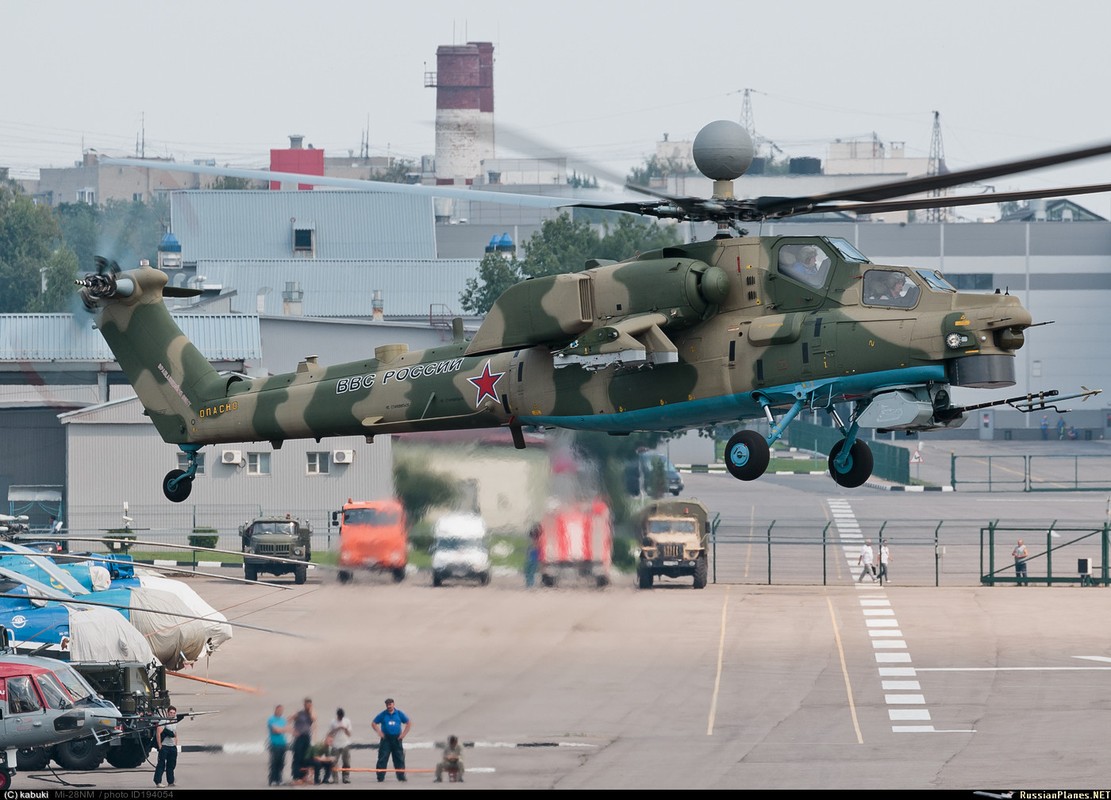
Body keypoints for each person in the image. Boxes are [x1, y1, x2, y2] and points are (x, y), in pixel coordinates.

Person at [372, 697, 411, 782]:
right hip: (386, 739)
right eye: (387, 705)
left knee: (399, 758)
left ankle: (401, 776)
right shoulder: (383, 714)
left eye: (390, 704)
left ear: (393, 704)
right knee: (383, 757)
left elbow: (408, 723)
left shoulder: (399, 713)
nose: (389, 706)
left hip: (397, 739)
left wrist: (403, 734)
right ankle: (380, 777)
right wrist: (379, 733)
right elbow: (374, 723)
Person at [289, 697, 315, 785]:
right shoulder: (299, 713)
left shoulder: (311, 713)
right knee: (297, 757)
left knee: (306, 757)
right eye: (307, 704)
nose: (308, 706)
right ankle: (296, 776)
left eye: (310, 705)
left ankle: (304, 776)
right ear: (304, 705)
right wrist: (292, 730)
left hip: (307, 737)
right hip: (299, 737)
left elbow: (314, 719)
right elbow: (288, 720)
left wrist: (310, 711)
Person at [153, 705, 179, 787]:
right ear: (168, 713)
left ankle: (170, 781)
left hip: (172, 747)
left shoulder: (175, 721)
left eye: (174, 713)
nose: (172, 714)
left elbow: (175, 733)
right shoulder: (163, 721)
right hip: (164, 746)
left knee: (171, 764)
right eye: (171, 713)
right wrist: (160, 745)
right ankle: (158, 782)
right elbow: (158, 733)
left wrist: (176, 743)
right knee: (161, 764)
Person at [328, 707, 353, 784]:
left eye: (341, 717)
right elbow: (330, 733)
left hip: (345, 744)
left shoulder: (347, 721)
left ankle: (346, 777)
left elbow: (349, 734)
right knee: (333, 762)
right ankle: (335, 778)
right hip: (335, 745)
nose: (340, 718)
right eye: (339, 717)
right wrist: (336, 728)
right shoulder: (333, 722)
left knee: (346, 762)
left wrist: (345, 729)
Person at [267, 704, 289, 787]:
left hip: (282, 743)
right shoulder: (271, 719)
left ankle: (279, 779)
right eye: (279, 710)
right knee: (274, 763)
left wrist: (283, 729)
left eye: (282, 710)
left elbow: (286, 728)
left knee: (281, 763)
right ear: (275, 710)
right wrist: (283, 729)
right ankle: (272, 779)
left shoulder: (283, 719)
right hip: (274, 744)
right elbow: (275, 730)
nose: (281, 711)